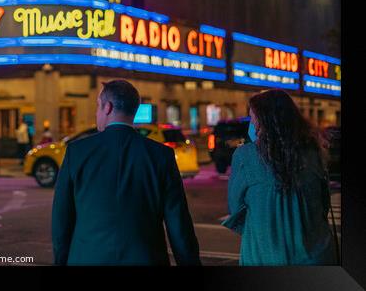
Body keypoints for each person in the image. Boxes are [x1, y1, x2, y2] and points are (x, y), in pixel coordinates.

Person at [52, 80, 201, 265]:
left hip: (88, 258)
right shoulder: (161, 155)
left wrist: (61, 261)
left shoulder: (77, 152)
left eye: (98, 106)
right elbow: (179, 224)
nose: (97, 112)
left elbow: (61, 220)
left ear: (107, 107)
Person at [222, 89, 336, 265]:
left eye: (253, 120)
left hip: (264, 257)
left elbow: (235, 209)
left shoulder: (245, 156)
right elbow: (323, 204)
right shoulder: (313, 152)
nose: (251, 125)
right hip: (317, 255)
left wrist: (264, 226)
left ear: (264, 123)